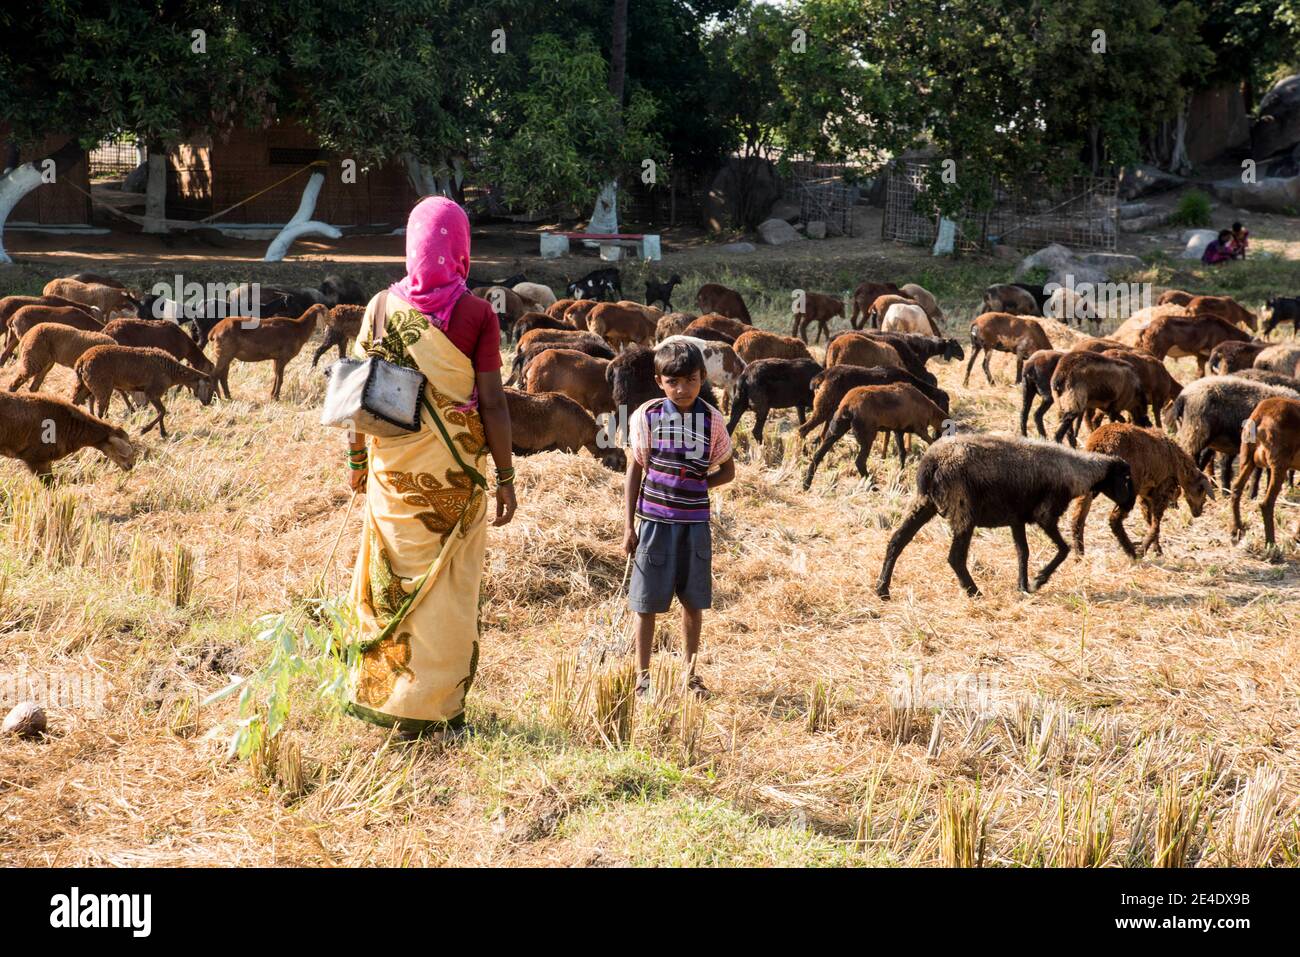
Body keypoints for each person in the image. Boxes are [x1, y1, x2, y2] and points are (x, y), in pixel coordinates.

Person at [343, 196, 517, 739]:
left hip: (390, 471)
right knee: (446, 588)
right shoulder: (478, 314)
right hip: (452, 477)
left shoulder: (378, 308)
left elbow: (357, 392)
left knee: (388, 573)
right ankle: (431, 703)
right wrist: (508, 477)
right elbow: (493, 403)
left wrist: (355, 461)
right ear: (462, 249)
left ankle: (384, 691)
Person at [623, 341, 735, 698]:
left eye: (691, 380)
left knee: (693, 602)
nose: (682, 389)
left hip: (694, 524)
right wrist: (628, 526)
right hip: (654, 522)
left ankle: (690, 673)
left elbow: (728, 470)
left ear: (703, 378)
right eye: (673, 382)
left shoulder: (711, 420)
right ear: (659, 381)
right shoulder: (647, 416)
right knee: (645, 603)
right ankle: (642, 677)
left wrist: (700, 485)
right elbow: (635, 469)